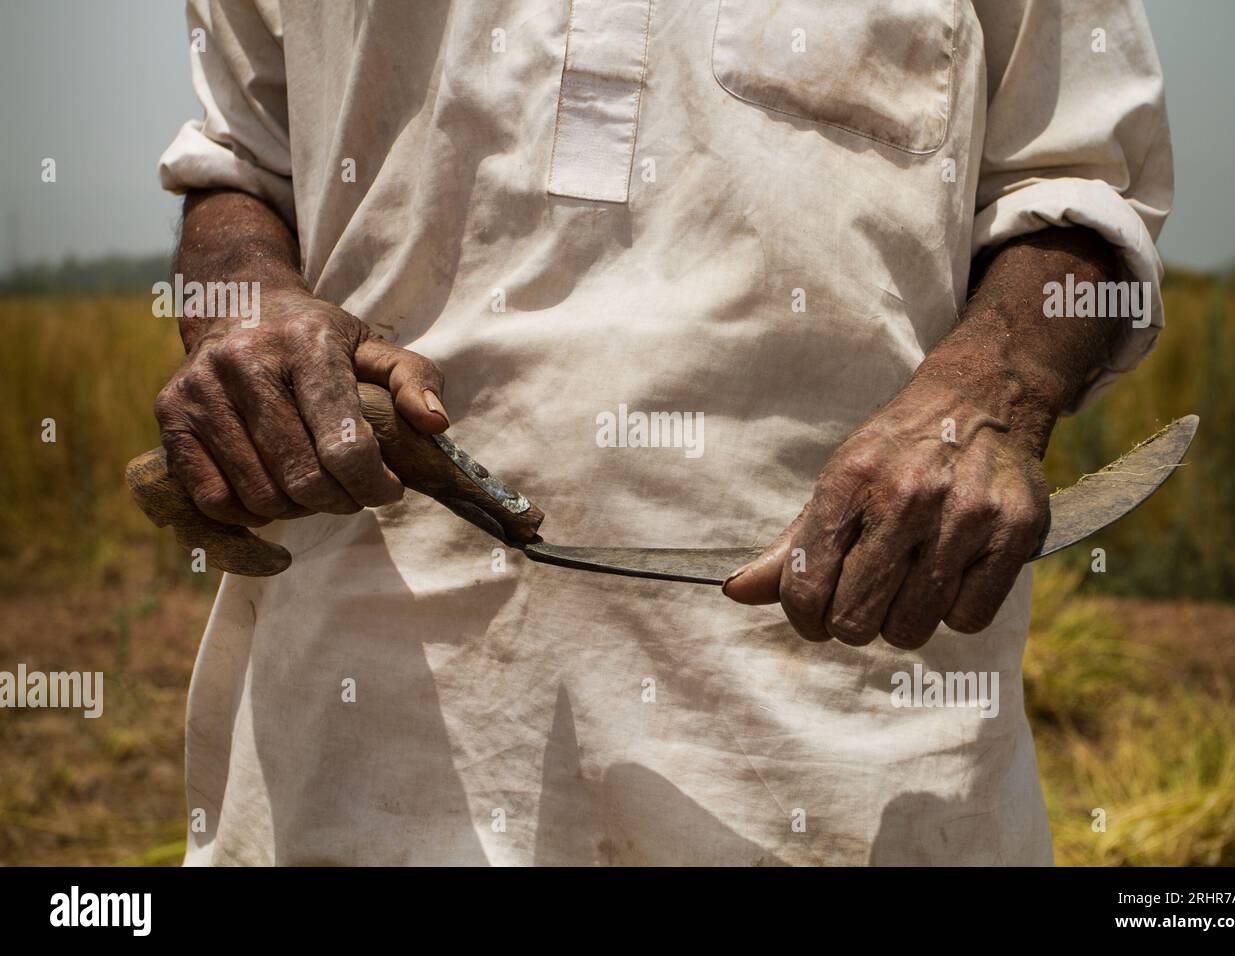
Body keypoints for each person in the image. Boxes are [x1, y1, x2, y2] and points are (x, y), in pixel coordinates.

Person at [156, 0, 1172, 865]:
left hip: (841, 723)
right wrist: (247, 310)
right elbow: (240, 162)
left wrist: (991, 384)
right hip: (355, 717)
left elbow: (1079, 186)